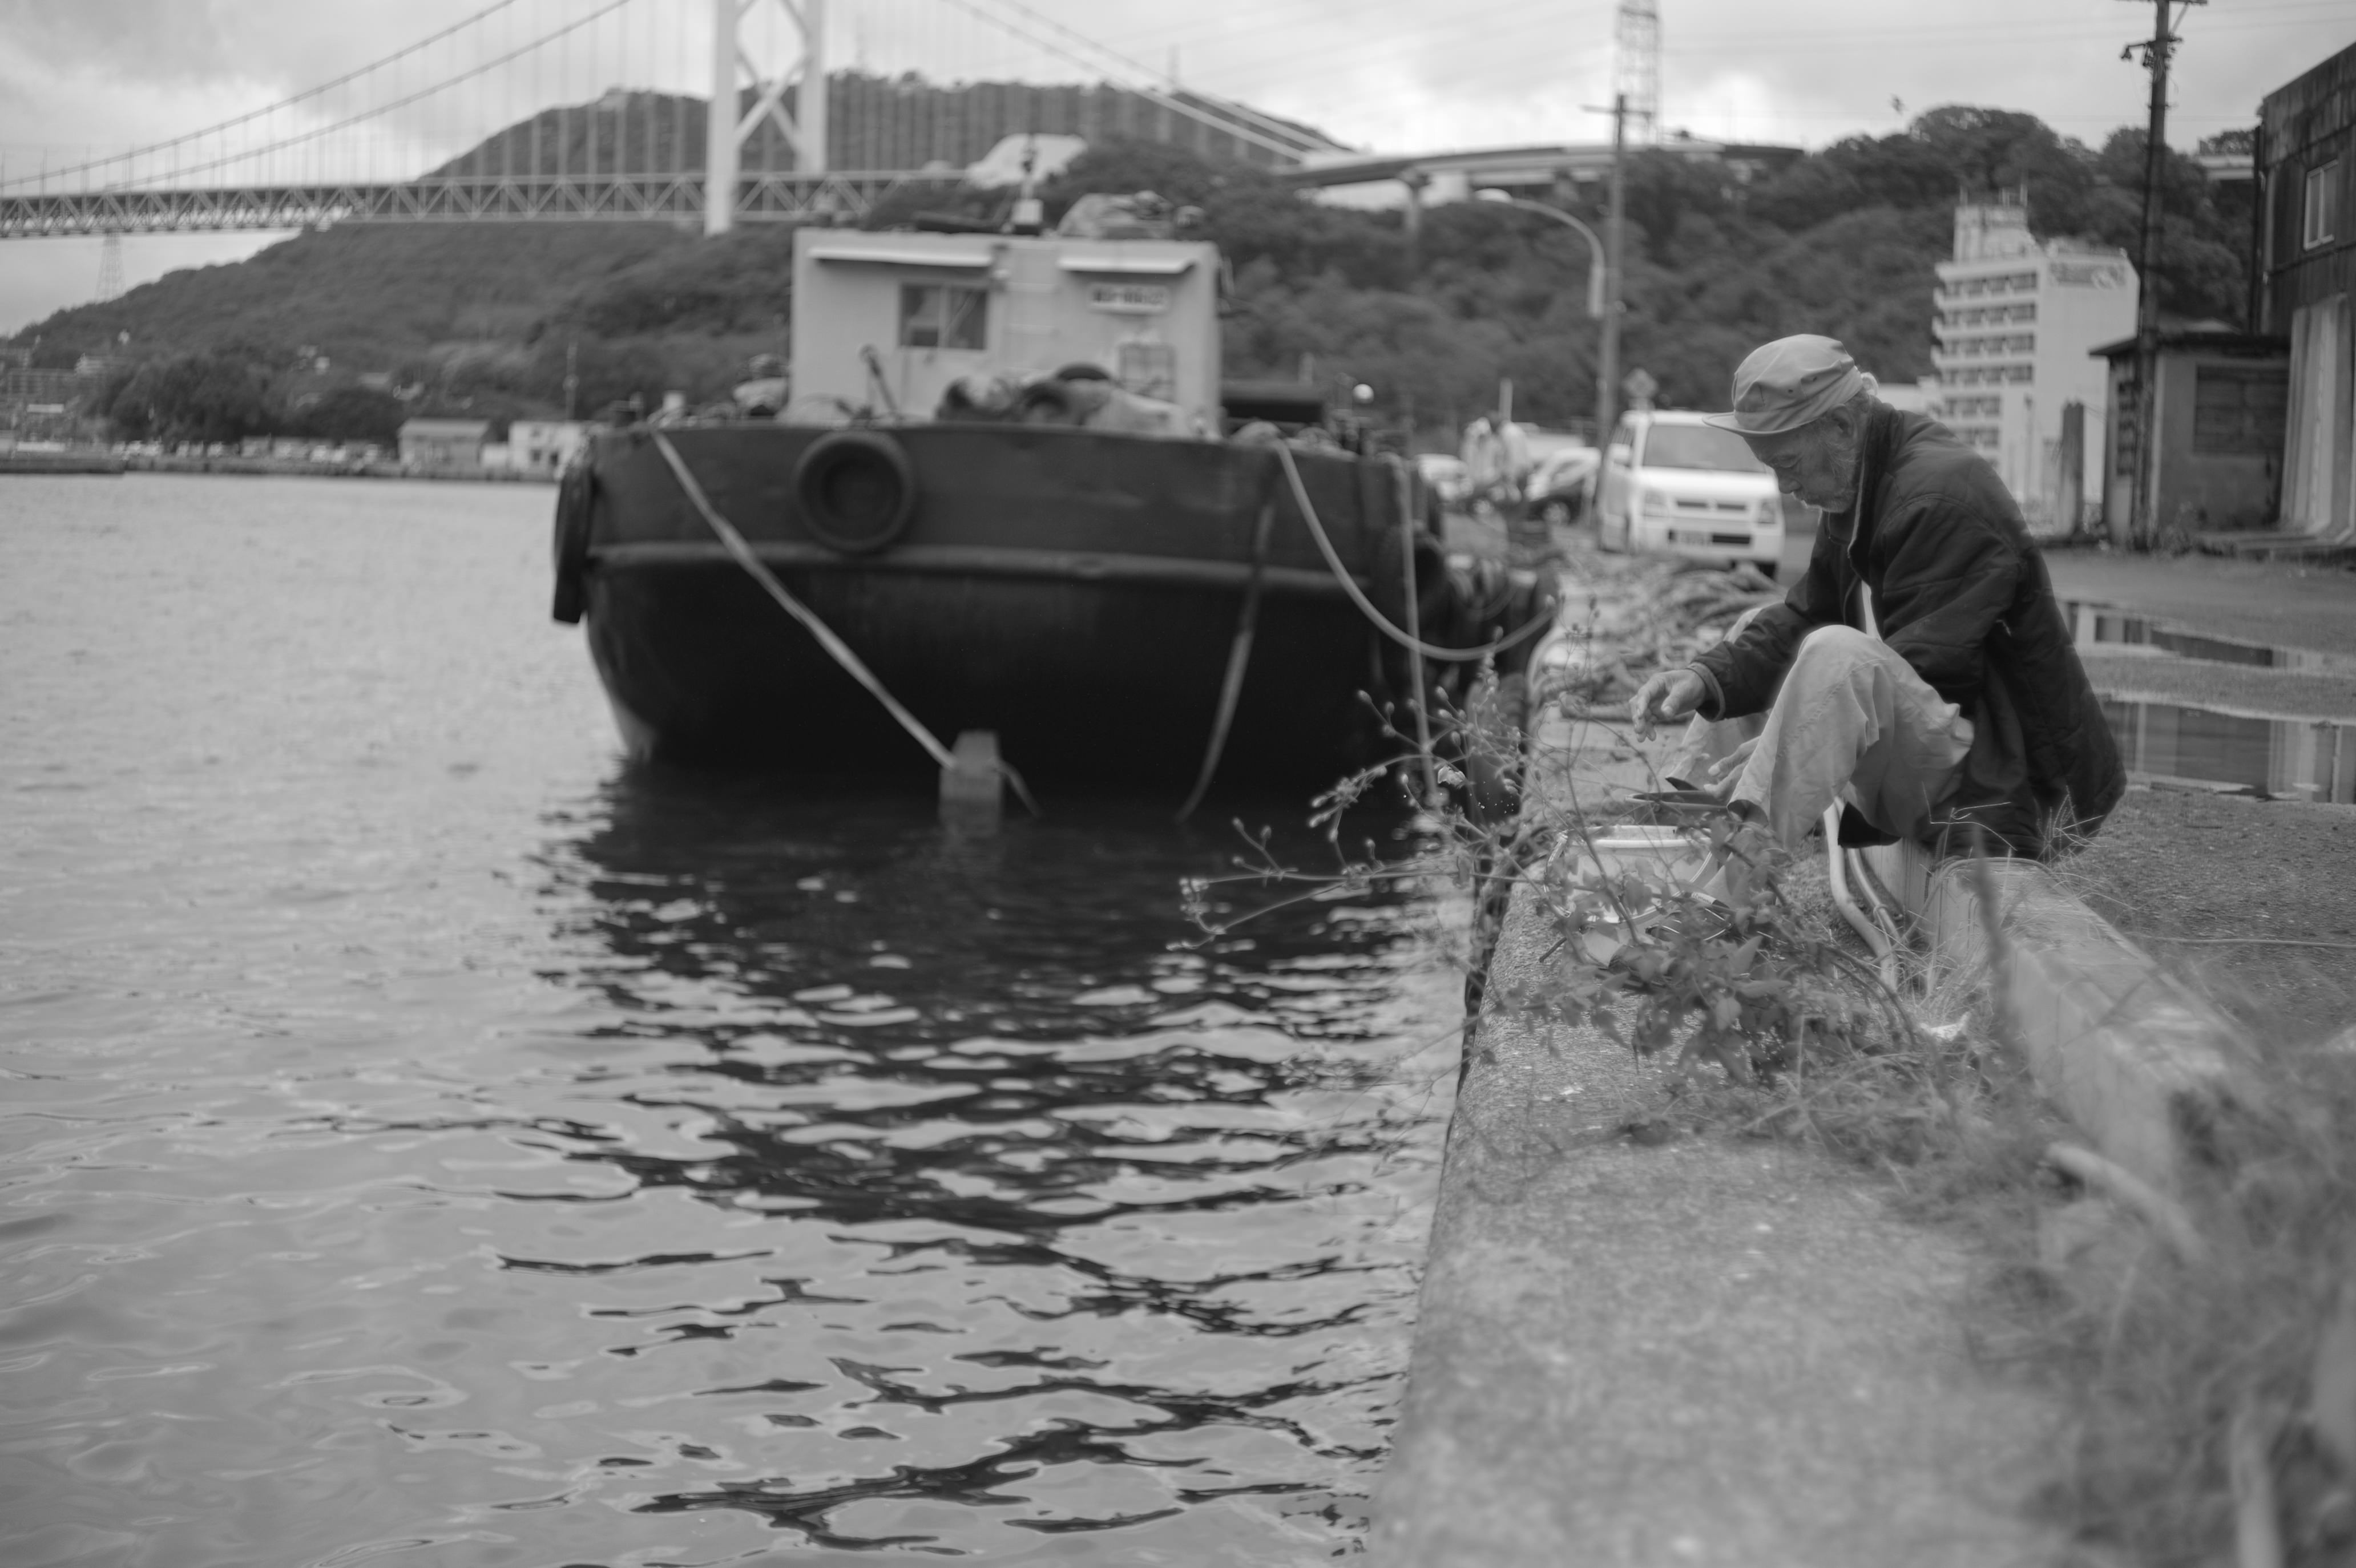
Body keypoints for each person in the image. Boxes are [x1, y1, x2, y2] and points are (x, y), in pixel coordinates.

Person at [1627, 334, 2123, 859]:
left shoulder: (1934, 497)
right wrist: (1704, 677)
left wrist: (1782, 746)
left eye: (1788, 464)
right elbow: (1807, 616)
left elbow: (1927, 675)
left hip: (2011, 783)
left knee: (1838, 657)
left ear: (1842, 426)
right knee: (1760, 627)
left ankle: (1732, 880)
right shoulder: (1857, 478)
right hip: (1945, 744)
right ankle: (1686, 833)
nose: (1783, 487)